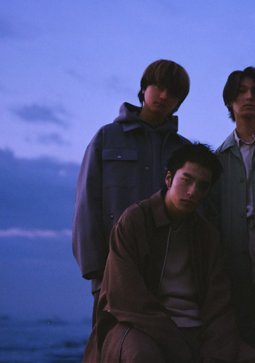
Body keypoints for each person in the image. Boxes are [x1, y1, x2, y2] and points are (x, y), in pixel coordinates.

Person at [82, 143, 255, 363]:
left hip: (197, 330)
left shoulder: (207, 235)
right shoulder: (134, 221)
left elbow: (219, 305)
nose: (192, 192)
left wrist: (214, 355)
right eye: (186, 180)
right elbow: (127, 297)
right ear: (169, 179)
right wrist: (178, 346)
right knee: (142, 356)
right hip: (141, 327)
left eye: (203, 186)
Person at [73, 60, 190, 324]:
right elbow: (86, 204)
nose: (163, 96)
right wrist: (96, 269)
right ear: (143, 88)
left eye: (172, 92)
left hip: (171, 274)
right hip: (112, 269)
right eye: (158, 86)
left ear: (179, 102)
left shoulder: (184, 150)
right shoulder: (106, 137)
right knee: (112, 342)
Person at [202, 67, 255, 351]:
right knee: (247, 347)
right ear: (229, 101)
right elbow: (212, 218)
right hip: (238, 269)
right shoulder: (218, 158)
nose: (249, 97)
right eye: (241, 92)